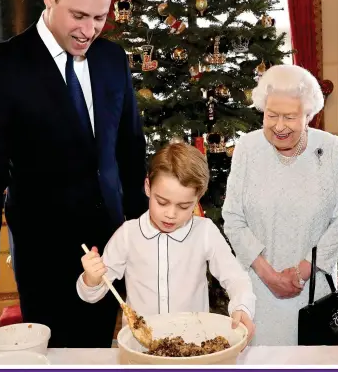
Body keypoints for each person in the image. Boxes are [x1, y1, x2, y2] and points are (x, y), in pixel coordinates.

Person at [0, 0, 148, 348]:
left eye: (99, 18)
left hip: (111, 246)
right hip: (44, 257)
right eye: (78, 16)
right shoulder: (2, 66)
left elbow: (129, 153)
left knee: (100, 351)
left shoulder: (112, 58)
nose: (89, 31)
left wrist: (140, 234)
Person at [222, 64, 338, 345]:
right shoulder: (247, 147)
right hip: (257, 287)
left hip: (313, 291)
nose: (279, 126)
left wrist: (300, 271)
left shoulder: (330, 148)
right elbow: (232, 217)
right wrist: (268, 275)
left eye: (290, 117)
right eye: (271, 116)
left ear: (309, 116)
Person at [77, 143, 256, 342]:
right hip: (140, 347)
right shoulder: (128, 235)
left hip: (192, 346)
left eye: (183, 206)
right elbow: (91, 295)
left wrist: (242, 307)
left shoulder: (204, 232)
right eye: (162, 202)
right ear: (147, 187)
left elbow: (236, 278)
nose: (170, 214)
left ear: (198, 198)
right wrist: (91, 279)